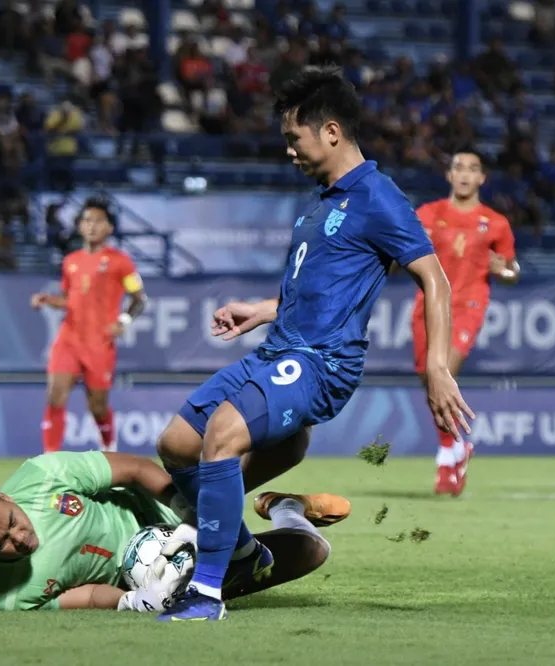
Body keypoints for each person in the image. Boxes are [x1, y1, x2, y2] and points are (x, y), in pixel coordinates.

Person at [153, 66, 472, 622]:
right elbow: (317, 287)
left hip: (323, 364)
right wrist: (262, 309)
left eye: (292, 139)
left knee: (223, 436)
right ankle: (249, 551)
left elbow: (435, 279)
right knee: (177, 444)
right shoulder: (320, 202)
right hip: (278, 350)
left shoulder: (377, 195)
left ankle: (206, 593)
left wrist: (437, 367)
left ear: (330, 131)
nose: (288, 151)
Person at [0, 450, 349, 611]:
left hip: (167, 512)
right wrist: (136, 600)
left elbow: (136, 470)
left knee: (222, 478)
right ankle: (288, 509)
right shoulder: (10, 596)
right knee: (311, 550)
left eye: (13, 523)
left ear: (6, 497)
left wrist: (191, 514)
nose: (18, 539)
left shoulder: (42, 476)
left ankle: (279, 504)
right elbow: (88, 595)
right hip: (162, 575)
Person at [412, 151, 519, 497]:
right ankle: (458, 449)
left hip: (467, 306)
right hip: (427, 306)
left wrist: (505, 270)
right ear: (449, 174)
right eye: (459, 167)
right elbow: (403, 259)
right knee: (429, 377)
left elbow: (512, 270)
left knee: (442, 371)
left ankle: (446, 457)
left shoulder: (495, 223)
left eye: (473, 169)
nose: (464, 174)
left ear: (482, 179)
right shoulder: (427, 215)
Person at [30, 197, 148, 454]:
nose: (91, 226)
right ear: (79, 226)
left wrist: (123, 321)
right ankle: (50, 461)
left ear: (109, 228)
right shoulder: (70, 261)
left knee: (97, 406)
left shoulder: (121, 262)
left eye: (98, 221)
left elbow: (140, 299)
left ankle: (109, 448)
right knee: (55, 395)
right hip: (69, 339)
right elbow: (71, 300)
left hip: (99, 343)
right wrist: (48, 300)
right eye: (86, 220)